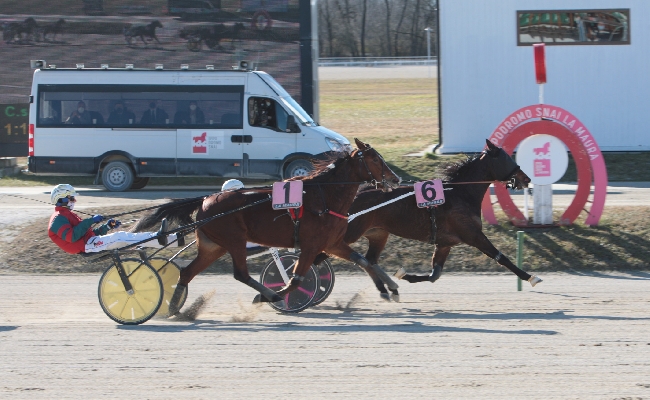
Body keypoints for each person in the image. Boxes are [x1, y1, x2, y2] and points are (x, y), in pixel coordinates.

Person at [48, 184, 176, 254]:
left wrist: (107, 227)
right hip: (86, 247)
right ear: (62, 199)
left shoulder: (67, 214)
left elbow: (87, 234)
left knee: (126, 237)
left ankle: (173, 239)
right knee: (120, 237)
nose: (74, 201)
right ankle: (158, 237)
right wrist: (90, 221)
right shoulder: (57, 219)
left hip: (89, 242)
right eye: (71, 198)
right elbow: (72, 237)